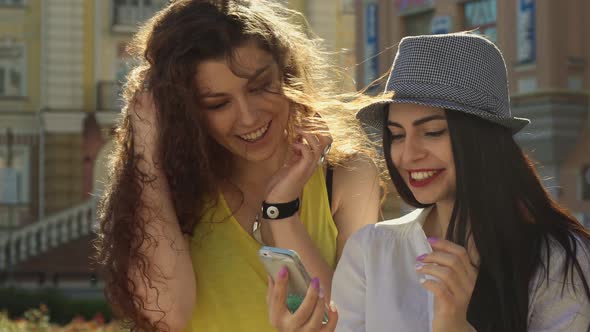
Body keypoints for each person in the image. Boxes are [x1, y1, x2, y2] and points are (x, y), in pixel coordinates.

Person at [94, 0, 383, 331]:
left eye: (260, 87)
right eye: (218, 104)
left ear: (288, 76)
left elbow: (346, 321)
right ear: (185, 111)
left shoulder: (347, 175)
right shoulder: (170, 184)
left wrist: (282, 212)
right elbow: (165, 315)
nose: (248, 117)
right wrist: (145, 145)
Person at [332, 32, 590, 332]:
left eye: (432, 132)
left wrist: (456, 326)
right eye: (397, 135)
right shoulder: (370, 250)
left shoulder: (558, 259)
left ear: (481, 138)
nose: (409, 154)